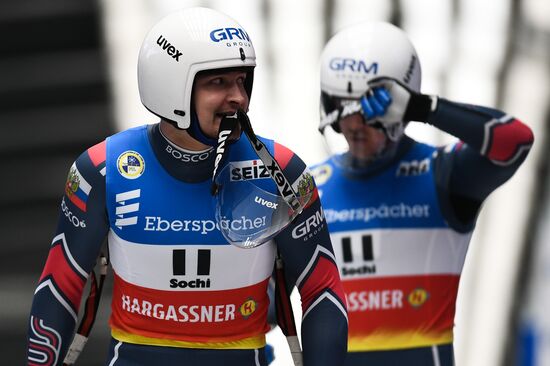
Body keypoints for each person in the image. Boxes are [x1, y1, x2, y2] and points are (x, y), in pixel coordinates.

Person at [26, 7, 348, 366]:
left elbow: (323, 291)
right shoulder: (101, 169)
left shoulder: (283, 172)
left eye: (241, 81)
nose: (238, 97)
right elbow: (60, 287)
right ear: (170, 87)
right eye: (218, 83)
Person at [310, 21, 534, 365]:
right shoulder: (310, 186)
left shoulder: (443, 174)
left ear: (402, 103)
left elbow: (516, 141)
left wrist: (425, 108)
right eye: (341, 105)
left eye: (372, 109)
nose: (354, 125)